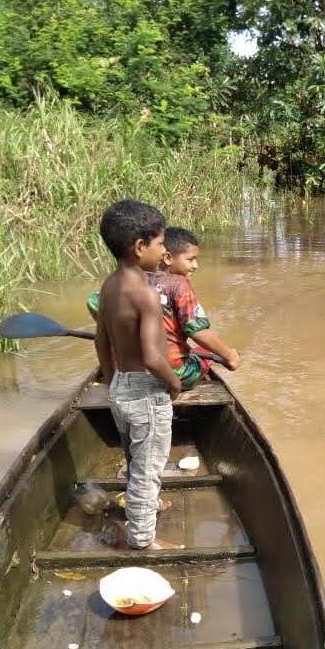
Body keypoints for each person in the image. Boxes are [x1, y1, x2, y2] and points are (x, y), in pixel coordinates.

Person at [93, 198, 184, 551]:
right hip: (147, 391)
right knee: (148, 466)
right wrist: (173, 384)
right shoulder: (145, 294)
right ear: (139, 246)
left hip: (119, 386)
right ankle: (143, 539)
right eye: (160, 243)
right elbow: (151, 356)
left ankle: (149, 504)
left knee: (136, 457)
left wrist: (109, 377)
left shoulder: (108, 285)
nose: (164, 251)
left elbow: (101, 341)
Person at [88, 226, 242, 390]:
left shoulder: (125, 281)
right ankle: (189, 382)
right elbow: (198, 332)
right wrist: (229, 355)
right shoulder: (179, 284)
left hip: (127, 372)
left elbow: (93, 301)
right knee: (203, 352)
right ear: (167, 258)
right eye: (190, 259)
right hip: (173, 374)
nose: (196, 265)